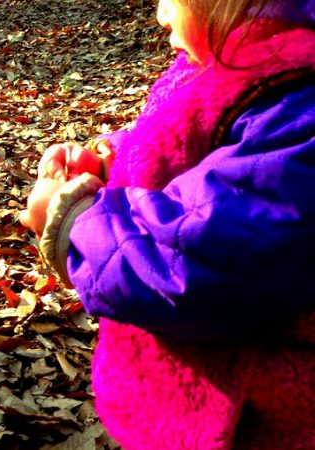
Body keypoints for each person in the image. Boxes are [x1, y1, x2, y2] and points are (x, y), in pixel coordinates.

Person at [22, 0, 315, 448]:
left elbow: (204, 265)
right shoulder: (229, 62)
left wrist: (73, 222)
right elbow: (184, 148)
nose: (159, 15)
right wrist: (107, 164)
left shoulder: (298, 105)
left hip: (254, 425)